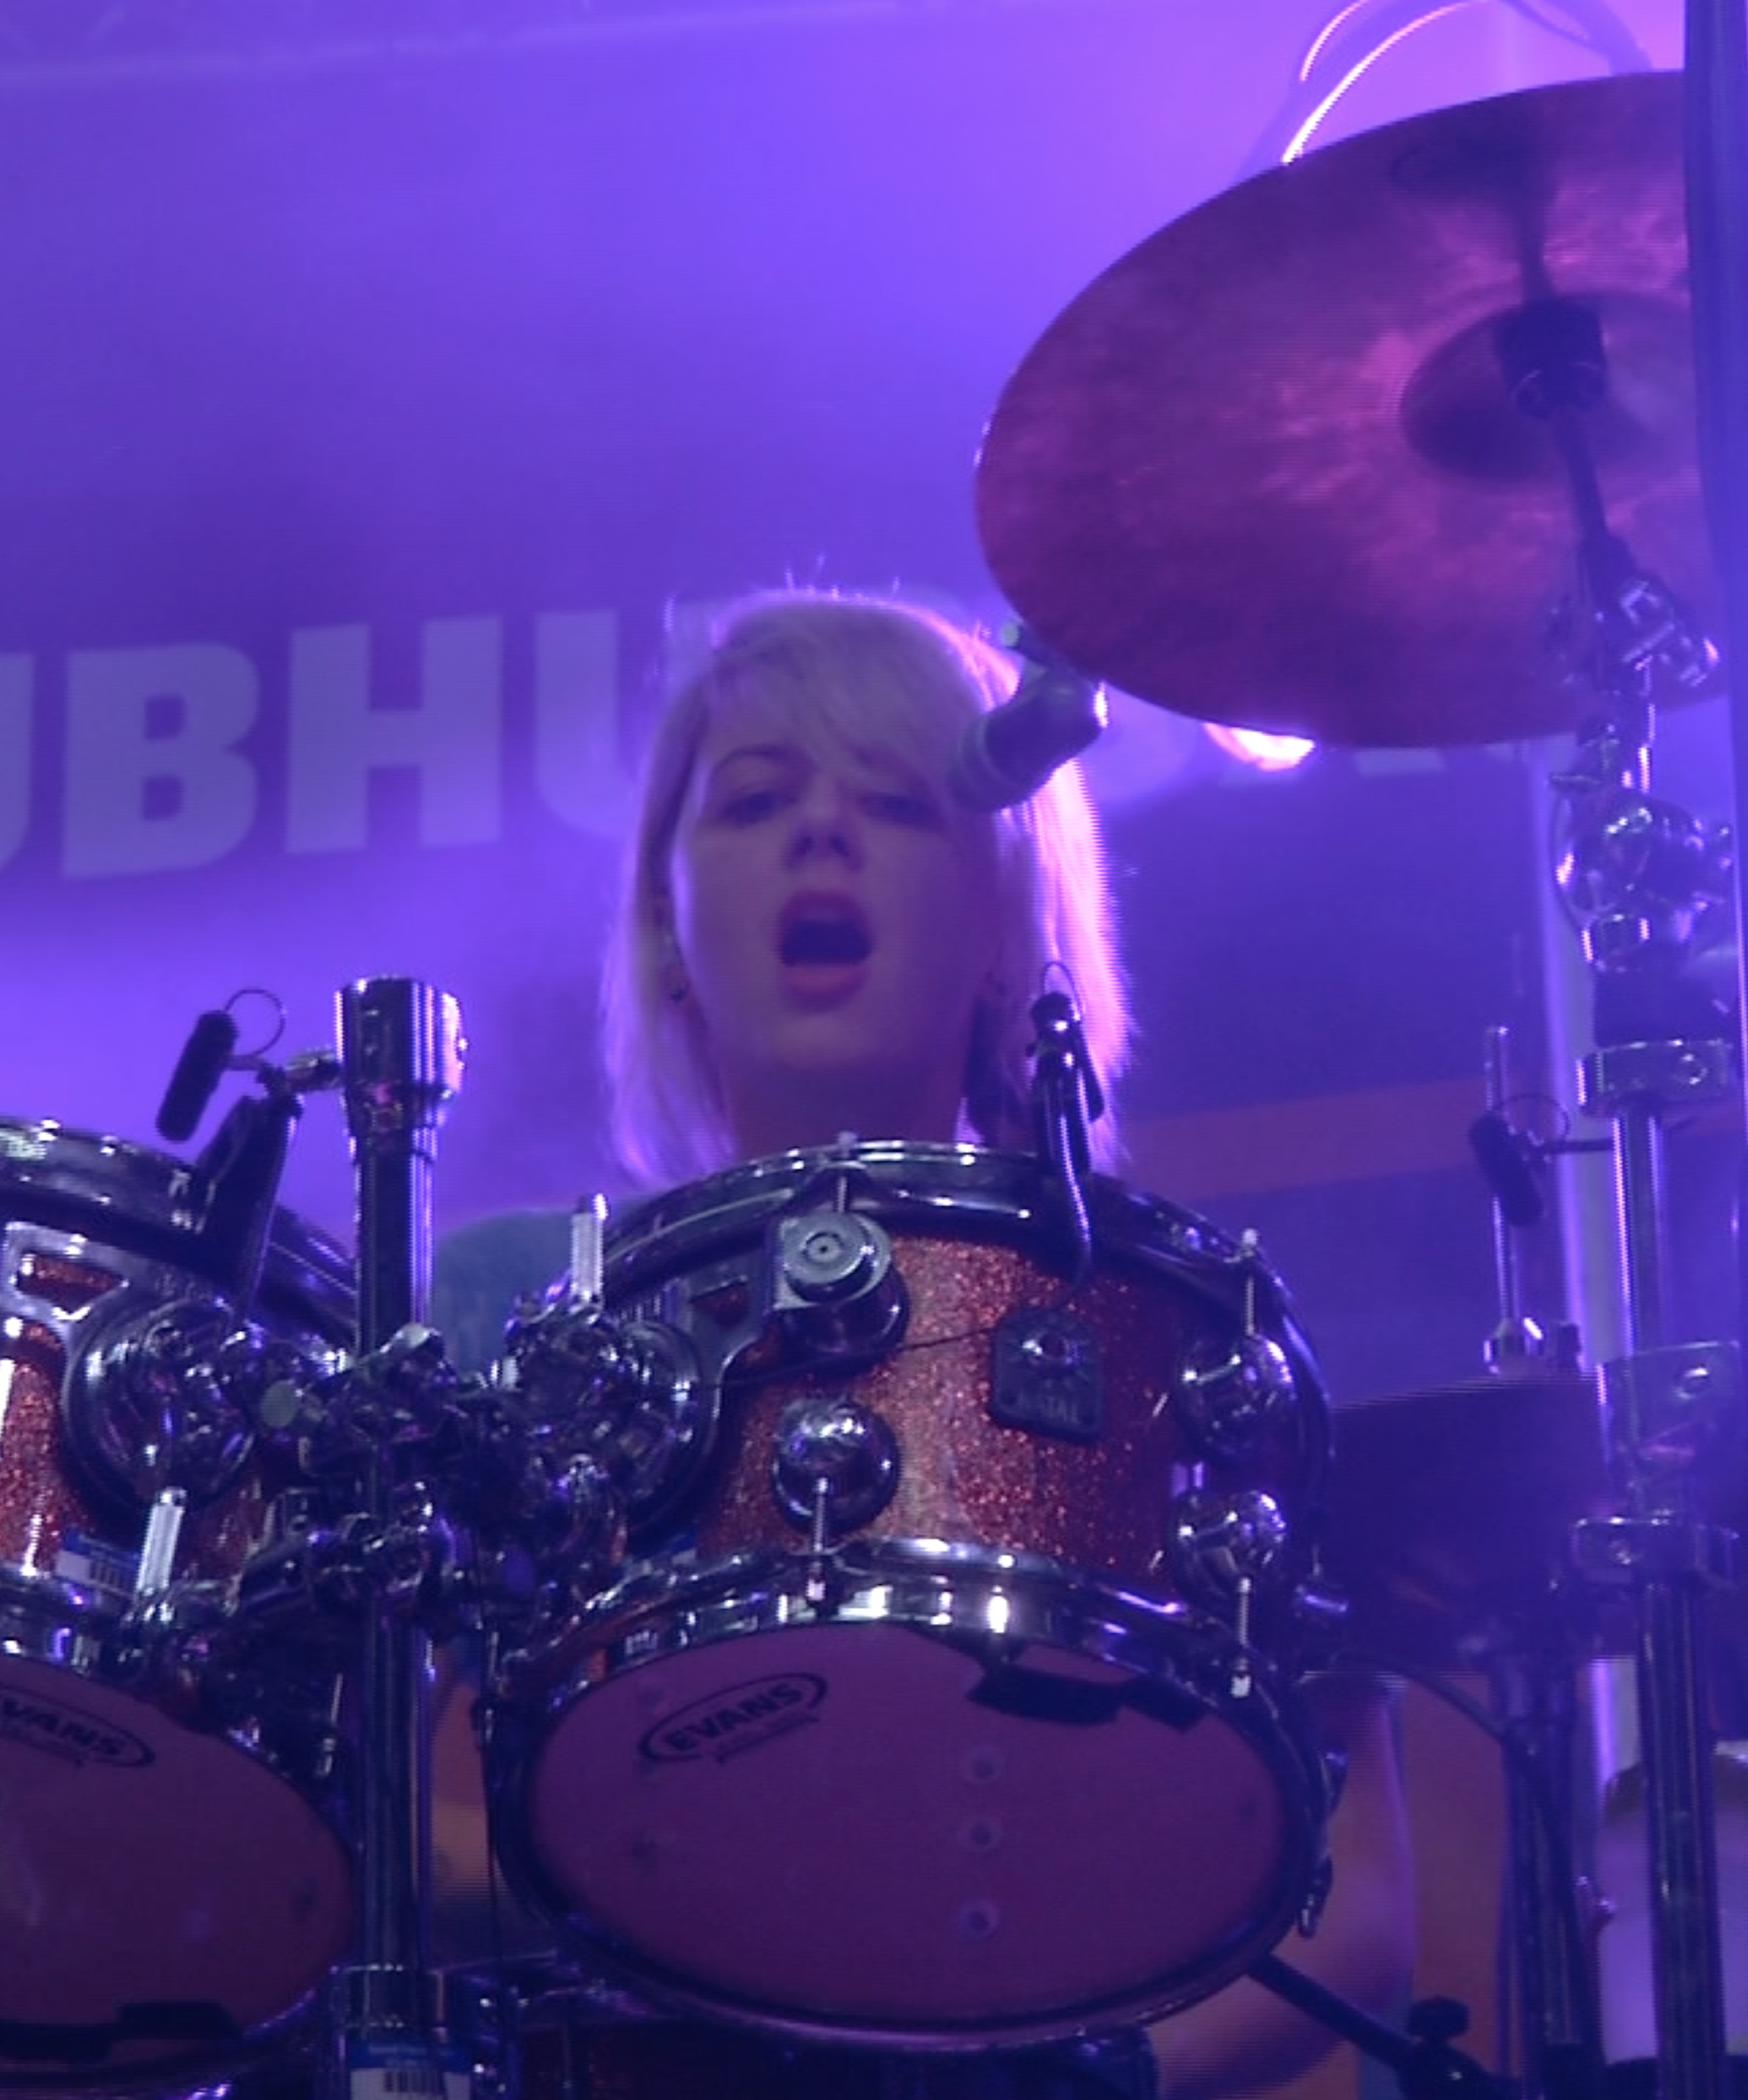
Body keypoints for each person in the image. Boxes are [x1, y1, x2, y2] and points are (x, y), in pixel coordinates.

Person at [433, 588, 1414, 2100]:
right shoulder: (512, 1295)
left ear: (1009, 927)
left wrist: (1078, 2076)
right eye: (755, 800)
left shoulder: (1176, 1338)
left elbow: (1359, 1904)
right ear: (666, 924)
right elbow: (405, 1826)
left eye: (895, 802)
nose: (822, 832)